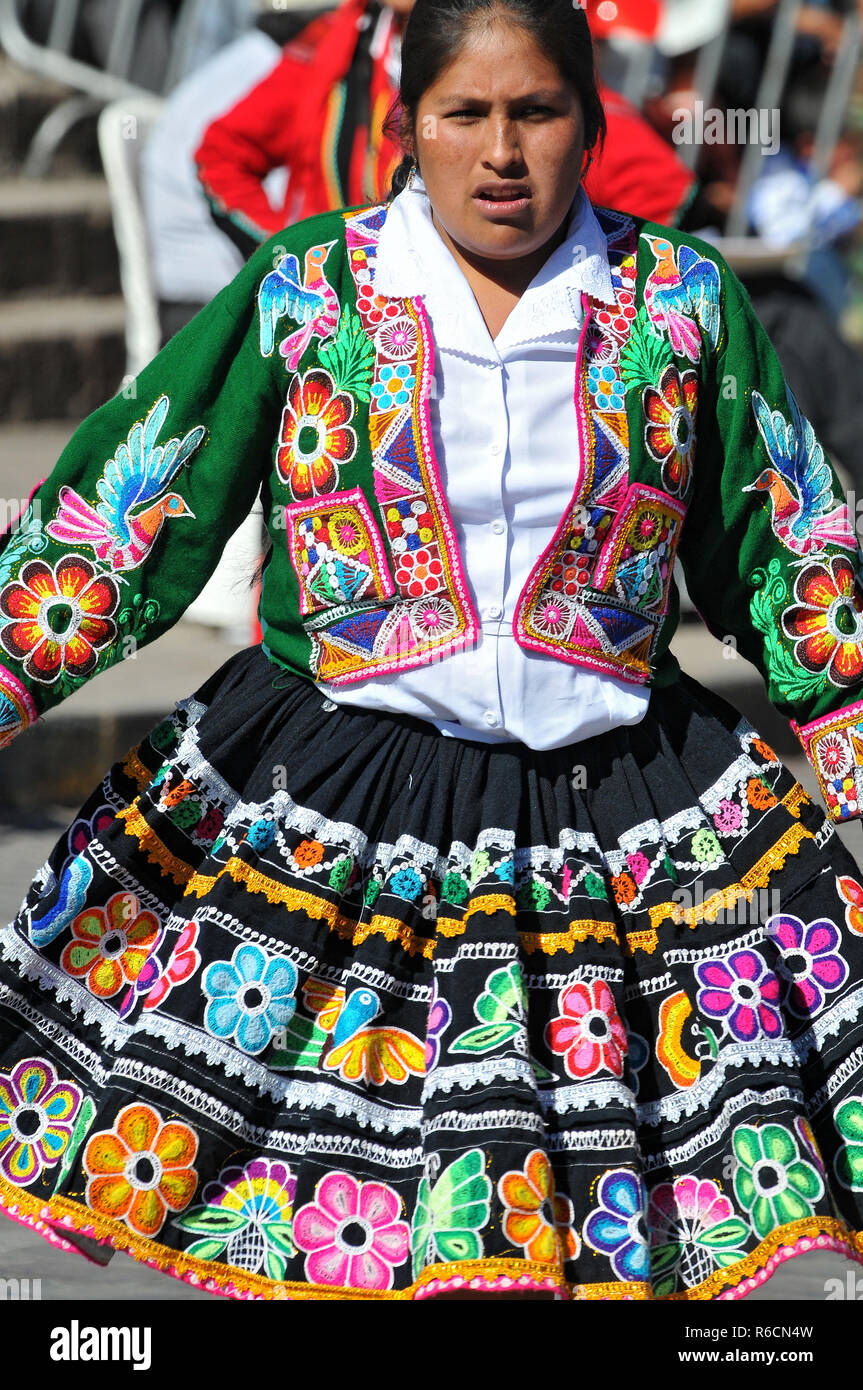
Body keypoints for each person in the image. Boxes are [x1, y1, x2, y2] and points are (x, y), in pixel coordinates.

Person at [3, 0, 863, 1303]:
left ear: (593, 125)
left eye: (539, 113)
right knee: (362, 1236)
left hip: (614, 829)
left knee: (577, 1251)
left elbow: (793, 566)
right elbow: (125, 522)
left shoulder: (683, 305)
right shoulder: (310, 292)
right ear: (409, 126)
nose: (502, 151)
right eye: (468, 114)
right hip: (343, 828)